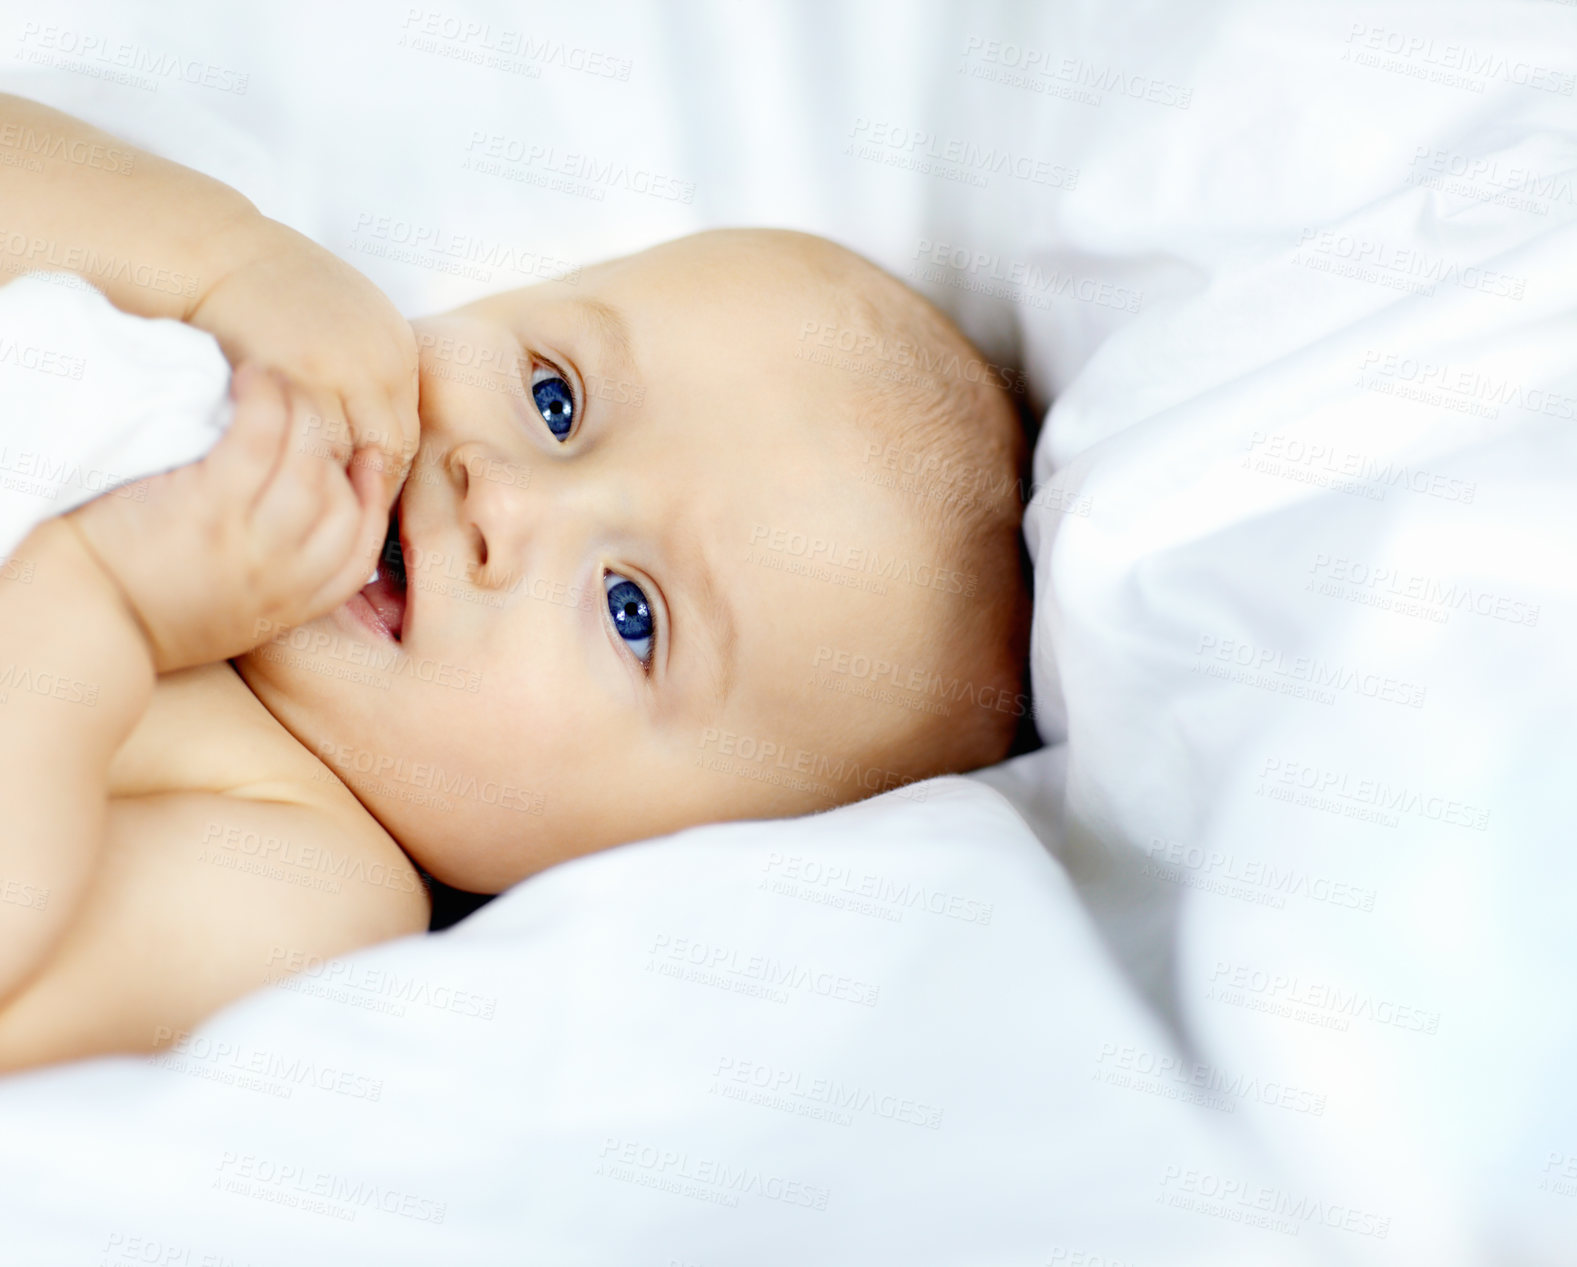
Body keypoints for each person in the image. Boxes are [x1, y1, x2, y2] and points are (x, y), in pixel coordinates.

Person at [0, 94, 1030, 1070]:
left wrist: (98, 607)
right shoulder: (255, 337)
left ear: (648, 864)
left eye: (633, 612)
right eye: (554, 397)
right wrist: (226, 259)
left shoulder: (309, 880)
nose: (499, 496)